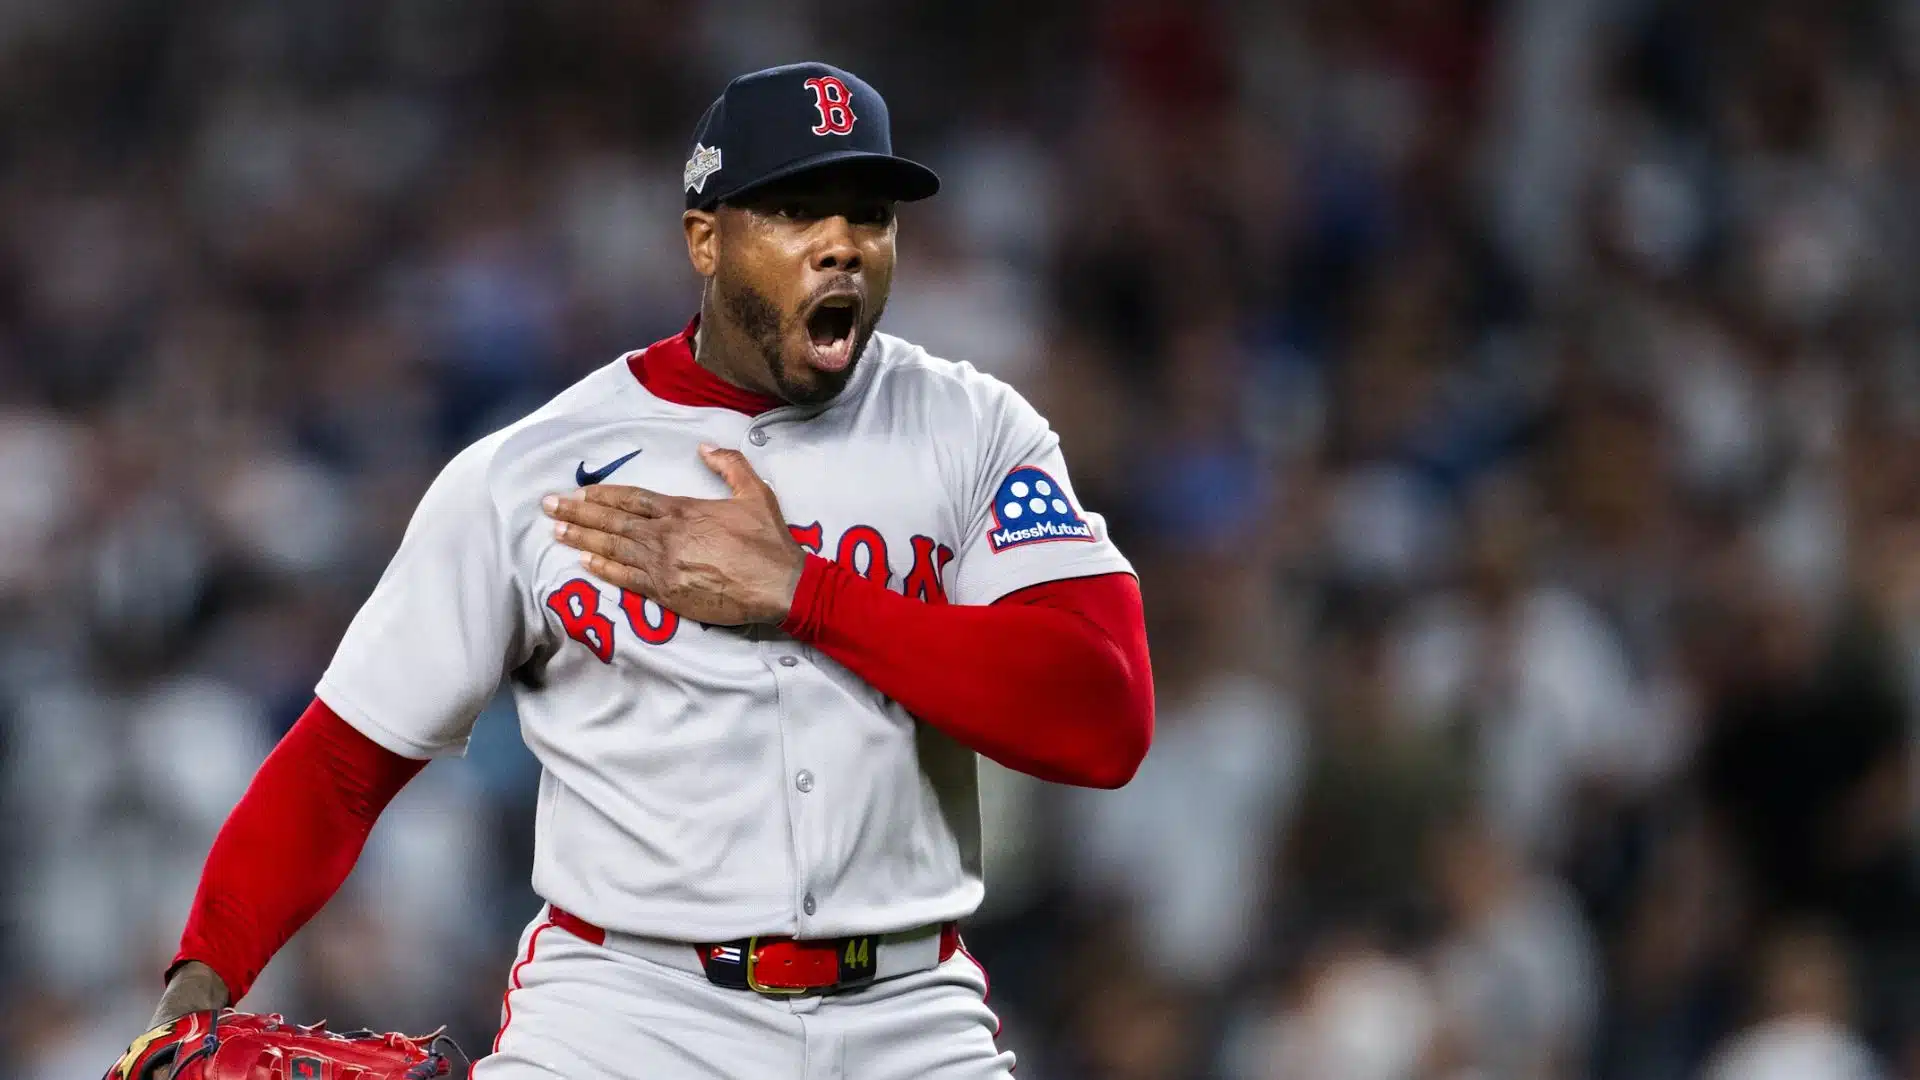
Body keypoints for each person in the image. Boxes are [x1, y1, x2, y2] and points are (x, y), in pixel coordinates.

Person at [134, 61, 1153, 1079]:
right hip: (627, 1015)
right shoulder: (531, 468)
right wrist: (200, 981)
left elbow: (1104, 719)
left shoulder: (973, 429)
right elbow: (344, 762)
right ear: (705, 239)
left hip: (908, 1013)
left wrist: (809, 597)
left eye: (870, 215)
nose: (842, 244)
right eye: (797, 209)